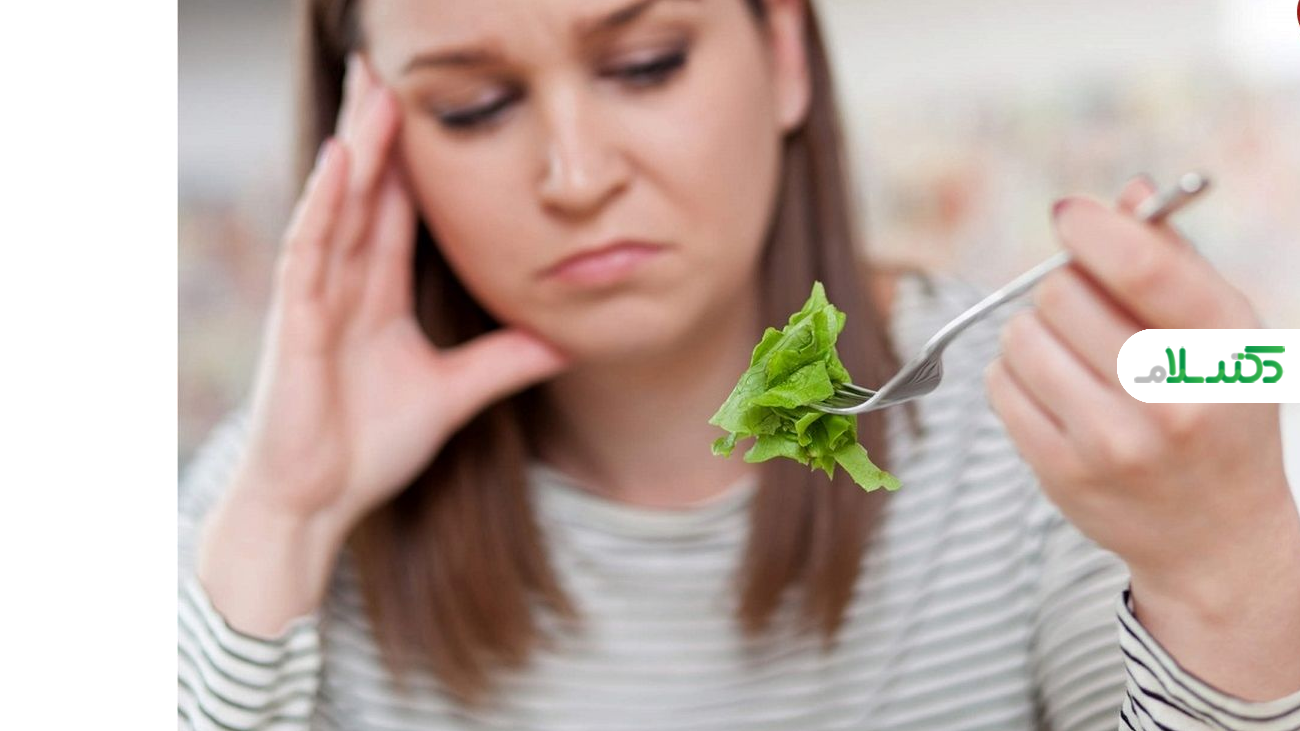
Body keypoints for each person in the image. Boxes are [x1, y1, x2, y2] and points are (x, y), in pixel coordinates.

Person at [177, 0, 1300, 728]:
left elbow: (1248, 389)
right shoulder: (271, 494)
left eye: (646, 64)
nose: (576, 175)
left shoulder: (1050, 434)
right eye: (474, 106)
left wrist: (1232, 559)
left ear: (784, 55)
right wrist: (284, 514)